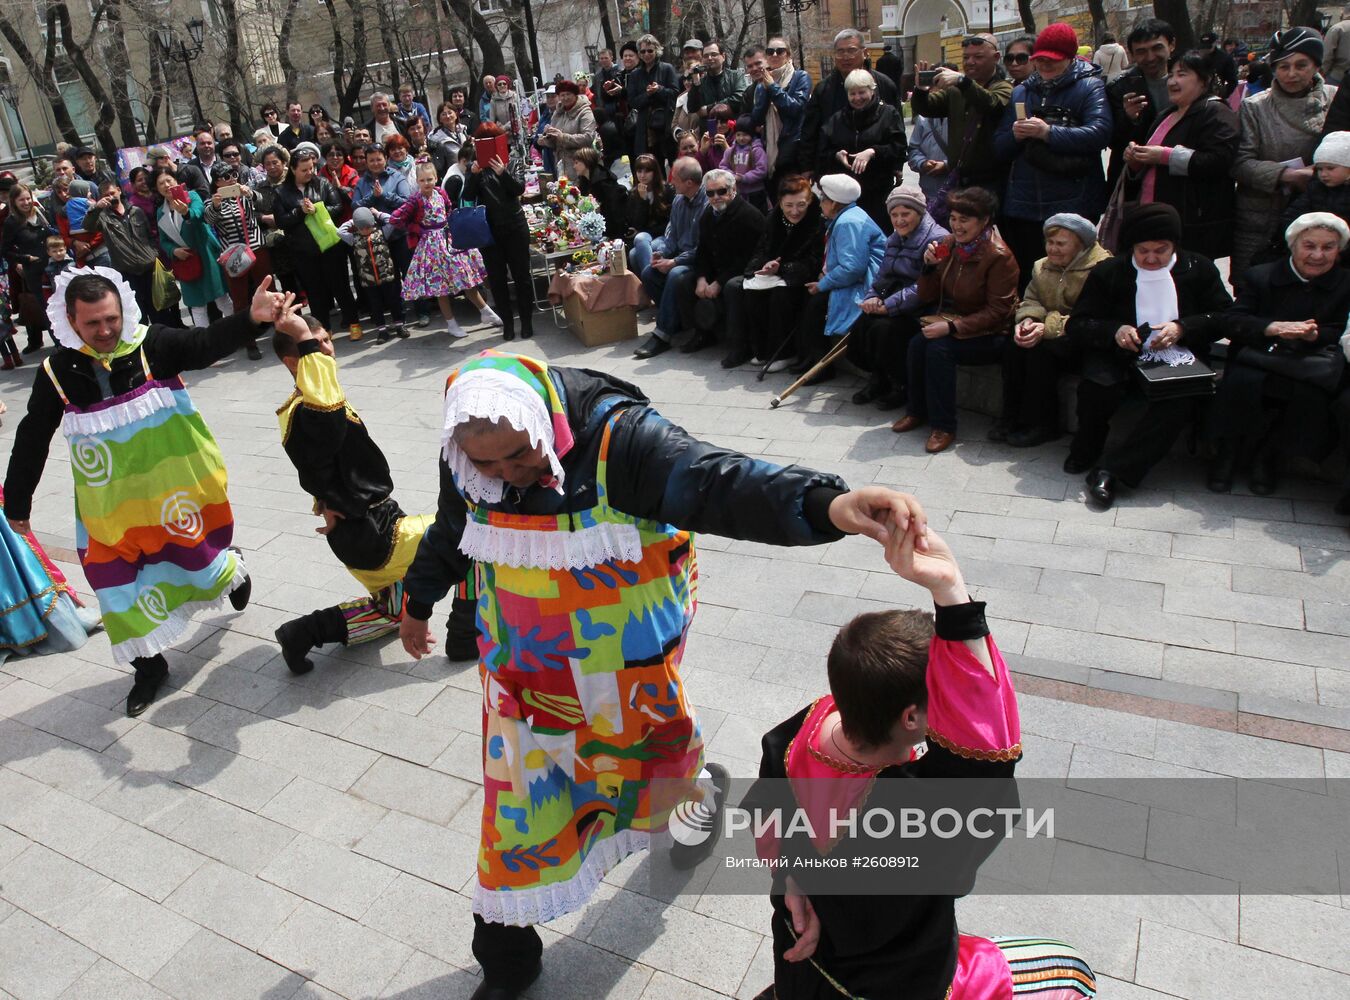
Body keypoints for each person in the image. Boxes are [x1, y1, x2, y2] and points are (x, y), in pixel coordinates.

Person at [396, 346, 931, 1000]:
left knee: (648, 761)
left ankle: (695, 798)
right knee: (515, 815)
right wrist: (418, 601)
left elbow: (712, 481)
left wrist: (823, 505)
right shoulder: (469, 461)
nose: (508, 474)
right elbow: (456, 527)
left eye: (523, 456)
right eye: (489, 463)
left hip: (625, 668)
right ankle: (507, 959)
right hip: (522, 681)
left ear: (546, 422)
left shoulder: (622, 440)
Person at [745, 527, 1097, 1000]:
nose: (950, 710)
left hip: (803, 968)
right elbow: (984, 759)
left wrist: (794, 879)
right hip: (896, 983)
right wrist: (951, 592)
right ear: (910, 717)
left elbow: (770, 830)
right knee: (1071, 973)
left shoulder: (795, 734)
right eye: (942, 700)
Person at [3, 270, 285, 714]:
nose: (105, 330)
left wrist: (251, 319)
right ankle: (149, 668)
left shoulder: (150, 344)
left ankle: (233, 567)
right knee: (115, 589)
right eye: (92, 323)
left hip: (177, 494)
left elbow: (204, 344)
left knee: (199, 565)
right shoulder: (57, 372)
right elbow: (33, 435)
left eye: (111, 319)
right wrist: (18, 503)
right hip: (109, 508)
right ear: (71, 321)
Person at [269, 310, 431, 670]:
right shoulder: (312, 410)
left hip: (363, 524)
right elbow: (325, 422)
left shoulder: (310, 406)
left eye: (327, 339)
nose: (328, 350)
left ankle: (302, 632)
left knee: (390, 614)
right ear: (293, 362)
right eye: (315, 345)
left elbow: (320, 466)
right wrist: (327, 502)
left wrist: (324, 503)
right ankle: (469, 632)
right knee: (466, 535)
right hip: (372, 531)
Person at [1064, 203, 1233, 509]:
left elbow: (1224, 316)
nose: (1152, 258)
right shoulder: (1110, 272)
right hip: (1119, 354)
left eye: (1161, 250)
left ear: (1174, 246)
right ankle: (1087, 447)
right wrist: (1115, 330)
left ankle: (1113, 472)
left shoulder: (1198, 269)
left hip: (1177, 357)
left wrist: (1183, 327)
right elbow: (1079, 323)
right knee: (1098, 386)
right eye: (1144, 251)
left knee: (1178, 402)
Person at [1209, 213, 1350, 495]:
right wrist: (1272, 328)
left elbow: (1339, 329)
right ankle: (1226, 454)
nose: (1318, 255)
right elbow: (1233, 321)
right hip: (1259, 353)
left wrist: (1315, 334)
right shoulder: (1262, 275)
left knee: (1308, 395)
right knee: (1243, 382)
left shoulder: (1345, 282)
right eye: (1309, 246)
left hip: (1306, 361)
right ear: (1293, 245)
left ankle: (1268, 457)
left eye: (1328, 247)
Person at [892, 186, 1018, 454]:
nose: (957, 226)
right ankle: (916, 410)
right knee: (917, 343)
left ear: (984, 221)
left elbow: (998, 311)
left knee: (939, 350)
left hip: (992, 333)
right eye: (953, 218)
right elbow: (927, 294)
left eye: (965, 220)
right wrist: (927, 268)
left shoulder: (999, 257)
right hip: (957, 319)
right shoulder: (949, 244)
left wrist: (951, 327)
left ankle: (944, 425)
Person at [995, 23, 1111, 287]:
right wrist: (1016, 135)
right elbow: (1000, 147)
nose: (1045, 66)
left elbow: (1100, 133)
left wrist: (1048, 132)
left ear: (1070, 59)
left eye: (1053, 61)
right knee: (1031, 277)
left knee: (1073, 278)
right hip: (1024, 205)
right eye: (1040, 60)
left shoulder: (1089, 87)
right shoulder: (1022, 91)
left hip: (1073, 201)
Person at [1231, 28, 1336, 285]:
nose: (1292, 74)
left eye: (1301, 65)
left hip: (1322, 215)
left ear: (1316, 66)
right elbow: (1240, 163)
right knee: (1255, 294)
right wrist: (1287, 175)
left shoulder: (1335, 100)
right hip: (1261, 217)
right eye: (1283, 66)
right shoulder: (1255, 107)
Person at [1000, 213, 1109, 447]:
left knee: (1043, 353)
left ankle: (1043, 424)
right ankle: (1011, 417)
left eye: (1061, 244)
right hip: (1051, 330)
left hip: (1084, 338)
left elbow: (1089, 315)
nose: (1053, 249)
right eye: (1050, 242)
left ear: (1080, 245)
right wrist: (1028, 320)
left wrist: (1047, 327)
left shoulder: (1100, 270)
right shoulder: (1042, 266)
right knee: (1014, 347)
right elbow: (1031, 298)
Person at [1121, 48, 1239, 265]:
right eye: (1172, 74)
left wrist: (1165, 156)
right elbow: (1150, 163)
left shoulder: (1216, 113)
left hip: (1192, 223)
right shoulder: (1168, 113)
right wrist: (1135, 161)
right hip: (1155, 218)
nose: (1173, 81)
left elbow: (1219, 160)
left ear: (1204, 80)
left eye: (1182, 74)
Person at [850, 185, 949, 408]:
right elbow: (883, 274)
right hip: (893, 300)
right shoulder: (895, 237)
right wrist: (873, 296)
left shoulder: (940, 241)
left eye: (906, 214)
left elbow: (926, 286)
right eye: (894, 215)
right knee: (861, 327)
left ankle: (901, 384)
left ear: (920, 213)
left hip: (923, 307)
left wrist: (889, 306)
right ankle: (879, 376)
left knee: (884, 330)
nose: (899, 221)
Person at [788, 173, 885, 381]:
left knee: (816, 304)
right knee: (808, 299)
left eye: (824, 199)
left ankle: (821, 365)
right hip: (853, 279)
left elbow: (852, 268)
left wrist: (824, 284)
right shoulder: (846, 217)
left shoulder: (847, 222)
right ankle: (810, 356)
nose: (821, 203)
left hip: (865, 284)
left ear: (835, 203)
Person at [390, 161, 499, 339]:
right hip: (431, 246)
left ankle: (485, 311)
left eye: (430, 179)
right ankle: (451, 323)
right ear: (417, 181)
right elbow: (396, 219)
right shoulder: (415, 199)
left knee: (465, 276)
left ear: (436, 178)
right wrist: (417, 229)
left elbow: (449, 207)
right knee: (441, 287)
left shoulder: (440, 192)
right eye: (423, 180)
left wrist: (452, 226)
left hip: (449, 239)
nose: (427, 183)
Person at [733, 176, 826, 370]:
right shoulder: (773, 218)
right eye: (788, 205)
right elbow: (762, 249)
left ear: (809, 201)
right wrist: (764, 266)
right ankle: (760, 349)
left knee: (781, 296)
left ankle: (786, 353)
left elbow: (814, 260)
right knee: (748, 290)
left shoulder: (817, 221)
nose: (794, 211)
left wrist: (783, 269)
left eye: (800, 205)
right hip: (775, 273)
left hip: (801, 277)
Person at [910, 33, 1015, 199]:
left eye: (978, 57)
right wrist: (921, 90)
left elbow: (992, 104)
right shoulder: (957, 91)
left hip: (992, 180)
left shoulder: (1004, 87)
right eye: (966, 57)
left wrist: (963, 81)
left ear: (996, 58)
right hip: (960, 179)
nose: (970, 62)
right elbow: (927, 108)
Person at [273, 146, 362, 339]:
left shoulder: (322, 183)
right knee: (315, 292)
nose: (309, 173)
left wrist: (318, 209)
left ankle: (353, 322)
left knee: (341, 287)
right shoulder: (282, 193)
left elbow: (337, 206)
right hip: (303, 250)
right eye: (304, 170)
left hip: (330, 246)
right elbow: (281, 220)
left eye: (311, 168)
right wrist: (299, 212)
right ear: (293, 170)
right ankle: (323, 330)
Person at [632, 156, 708, 358]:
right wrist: (662, 254)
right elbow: (672, 235)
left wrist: (674, 261)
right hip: (678, 255)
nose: (671, 182)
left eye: (675, 179)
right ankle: (676, 320)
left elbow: (703, 248)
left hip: (698, 261)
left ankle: (663, 333)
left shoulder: (707, 205)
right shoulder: (678, 201)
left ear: (689, 183)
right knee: (649, 271)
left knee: (675, 274)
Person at [798, 28, 900, 177]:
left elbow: (897, 132)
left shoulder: (884, 84)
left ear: (865, 53)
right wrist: (807, 167)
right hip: (835, 171)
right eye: (840, 51)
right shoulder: (823, 89)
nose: (845, 56)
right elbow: (810, 132)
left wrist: (897, 166)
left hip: (877, 171)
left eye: (851, 50)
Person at [684, 168, 764, 354]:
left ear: (732, 190)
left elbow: (748, 257)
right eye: (710, 193)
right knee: (684, 281)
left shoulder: (748, 216)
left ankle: (740, 347)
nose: (716, 197)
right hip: (718, 269)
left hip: (744, 271)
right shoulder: (708, 216)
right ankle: (702, 333)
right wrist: (702, 278)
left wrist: (719, 282)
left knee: (731, 287)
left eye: (721, 191)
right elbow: (702, 251)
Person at [817, 69, 907, 231]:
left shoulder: (888, 114)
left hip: (877, 193)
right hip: (845, 198)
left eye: (862, 92)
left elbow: (899, 148)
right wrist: (836, 155)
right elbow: (823, 151)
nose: (857, 98)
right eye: (852, 94)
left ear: (872, 91)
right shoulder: (837, 119)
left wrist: (873, 152)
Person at [154, 168, 234, 328]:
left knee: (222, 299)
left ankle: (237, 332)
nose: (166, 185)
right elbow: (163, 241)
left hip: (206, 256)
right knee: (197, 306)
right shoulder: (160, 211)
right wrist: (173, 251)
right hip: (186, 263)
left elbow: (199, 215)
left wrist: (186, 213)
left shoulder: (192, 196)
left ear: (176, 181)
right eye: (161, 183)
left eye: (169, 180)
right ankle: (203, 344)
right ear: (157, 189)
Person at [83, 179, 167, 327]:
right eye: (106, 195)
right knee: (137, 316)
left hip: (150, 270)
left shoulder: (136, 211)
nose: (110, 197)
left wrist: (153, 253)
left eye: (112, 193)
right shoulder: (103, 217)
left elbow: (150, 235)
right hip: (127, 273)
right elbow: (88, 226)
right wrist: (96, 208)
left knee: (159, 312)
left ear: (119, 190)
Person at [205, 164, 272, 347]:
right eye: (226, 177)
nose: (232, 179)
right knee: (240, 298)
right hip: (233, 255)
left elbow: (265, 203)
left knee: (268, 289)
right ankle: (248, 341)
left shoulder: (245, 193)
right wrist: (216, 206)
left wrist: (249, 194)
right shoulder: (211, 202)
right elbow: (208, 220)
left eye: (234, 174)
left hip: (257, 248)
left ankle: (278, 326)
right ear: (217, 182)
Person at [1105, 18, 1177, 189]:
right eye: (1141, 51)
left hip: (1178, 173)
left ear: (1171, 45)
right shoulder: (1119, 88)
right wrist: (1128, 118)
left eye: (1157, 48)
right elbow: (1112, 141)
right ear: (1131, 54)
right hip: (1135, 179)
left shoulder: (1190, 79)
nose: (1150, 57)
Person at [746, 38, 813, 185]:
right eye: (770, 52)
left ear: (788, 55)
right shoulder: (762, 83)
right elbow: (756, 118)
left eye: (780, 51)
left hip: (793, 150)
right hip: (770, 150)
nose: (774, 55)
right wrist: (766, 87)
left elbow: (795, 109)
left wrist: (772, 87)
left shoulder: (800, 77)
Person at [339, 206, 407, 342]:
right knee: (375, 306)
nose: (365, 230)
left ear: (373, 224)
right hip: (368, 280)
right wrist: (353, 221)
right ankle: (382, 330)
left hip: (387, 276)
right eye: (361, 227)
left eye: (367, 226)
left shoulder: (383, 232)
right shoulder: (353, 238)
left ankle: (400, 325)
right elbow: (340, 231)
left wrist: (377, 213)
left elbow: (391, 220)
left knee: (394, 301)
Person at [2, 183, 54, 351]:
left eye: (27, 198)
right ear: (13, 202)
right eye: (21, 200)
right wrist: (24, 258)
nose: (26, 203)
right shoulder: (12, 222)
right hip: (34, 271)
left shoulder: (40, 212)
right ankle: (61, 347)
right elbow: (5, 250)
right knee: (49, 310)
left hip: (54, 266)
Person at [627, 34, 680, 168]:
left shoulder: (667, 69)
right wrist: (648, 94)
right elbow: (632, 101)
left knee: (672, 164)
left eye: (650, 50)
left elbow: (675, 93)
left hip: (665, 124)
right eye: (643, 51)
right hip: (645, 127)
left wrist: (659, 90)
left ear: (657, 51)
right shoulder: (635, 75)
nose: (647, 54)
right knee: (650, 166)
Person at [539, 80, 597, 181]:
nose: (565, 98)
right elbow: (555, 140)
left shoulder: (584, 112)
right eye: (562, 95)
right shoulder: (558, 113)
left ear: (575, 94)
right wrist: (546, 140)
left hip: (581, 166)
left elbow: (588, 138)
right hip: (561, 166)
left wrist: (562, 137)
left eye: (568, 94)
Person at [572, 147, 626, 239]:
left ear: (586, 162)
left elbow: (614, 209)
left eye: (577, 163)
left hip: (611, 229)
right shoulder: (584, 181)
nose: (574, 166)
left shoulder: (604, 182)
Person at [720, 115, 769, 211]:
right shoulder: (730, 151)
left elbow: (762, 170)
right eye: (738, 135)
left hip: (755, 193)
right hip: (737, 192)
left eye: (745, 135)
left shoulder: (757, 150)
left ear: (752, 134)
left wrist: (744, 178)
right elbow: (723, 166)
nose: (741, 138)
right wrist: (732, 176)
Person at [625, 153, 674, 241]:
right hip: (643, 237)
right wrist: (642, 200)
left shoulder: (667, 190)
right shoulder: (632, 194)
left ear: (654, 172)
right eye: (639, 171)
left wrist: (645, 232)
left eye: (647, 171)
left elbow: (670, 221)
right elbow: (636, 224)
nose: (642, 175)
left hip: (663, 235)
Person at [696, 40, 747, 119]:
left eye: (714, 54)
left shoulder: (736, 76)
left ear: (723, 56)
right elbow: (693, 108)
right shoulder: (701, 83)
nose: (709, 58)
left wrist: (709, 108)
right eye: (705, 56)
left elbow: (739, 97)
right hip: (708, 129)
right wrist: (695, 80)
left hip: (732, 126)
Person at [907, 114, 951, 202]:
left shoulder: (964, 118)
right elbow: (913, 150)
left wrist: (947, 165)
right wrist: (922, 163)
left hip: (957, 193)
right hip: (929, 192)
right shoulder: (923, 119)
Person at [1199, 31, 1239, 98]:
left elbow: (1233, 82)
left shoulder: (1225, 58)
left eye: (1208, 46)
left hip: (1214, 95)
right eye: (1203, 46)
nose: (1205, 49)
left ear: (1215, 43)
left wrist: (1222, 95)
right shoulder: (1196, 56)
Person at [1325, 10, 1350, 84]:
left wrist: (1322, 72)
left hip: (1338, 77)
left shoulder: (1338, 28)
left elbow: (1327, 55)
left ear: (1343, 14)